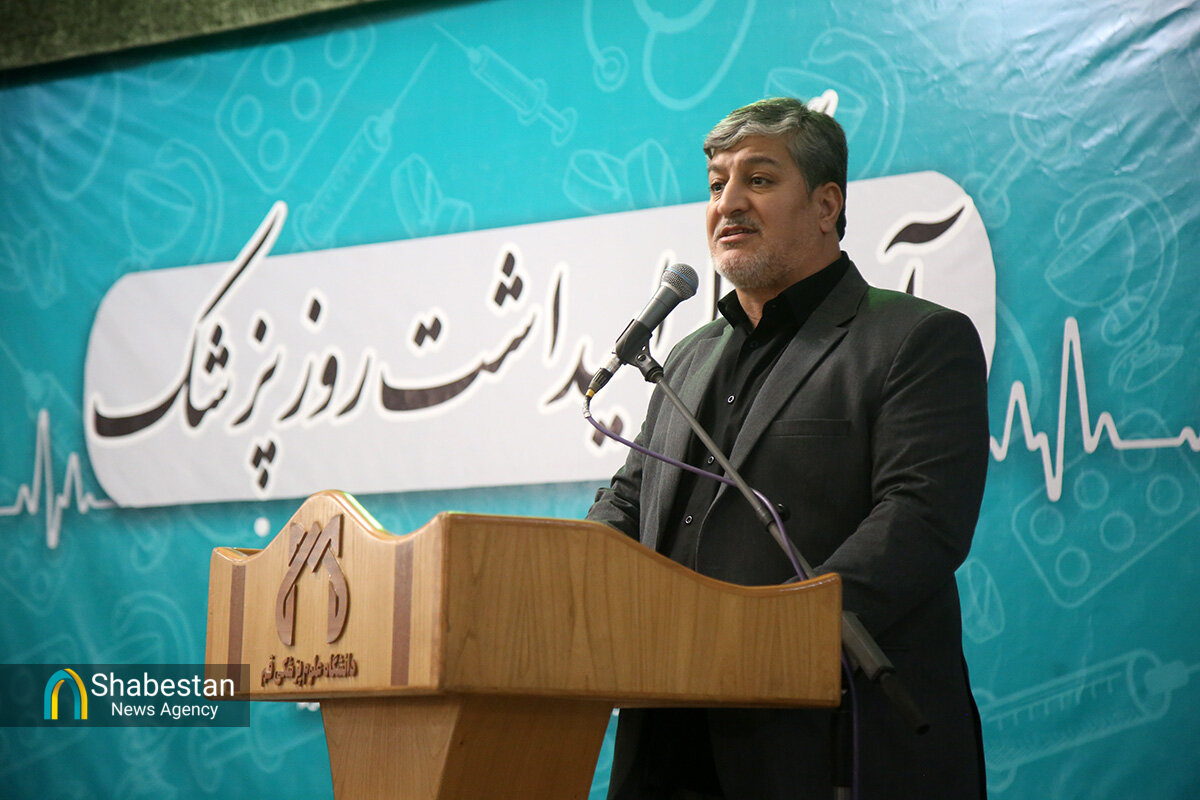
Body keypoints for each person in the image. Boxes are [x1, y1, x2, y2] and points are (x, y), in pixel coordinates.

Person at [586, 97, 990, 799]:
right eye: (717, 185)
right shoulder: (686, 357)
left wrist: (766, 638)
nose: (728, 204)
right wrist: (563, 582)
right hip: (668, 742)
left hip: (826, 740)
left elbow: (920, 520)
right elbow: (629, 503)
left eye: (759, 180)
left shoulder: (915, 340)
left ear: (827, 204)